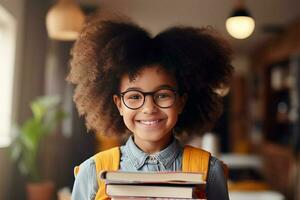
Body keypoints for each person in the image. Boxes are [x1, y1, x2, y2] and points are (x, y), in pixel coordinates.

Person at [67, 14, 233, 200]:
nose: (149, 108)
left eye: (162, 95)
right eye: (135, 96)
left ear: (181, 102)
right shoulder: (92, 172)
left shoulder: (209, 171)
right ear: (119, 105)